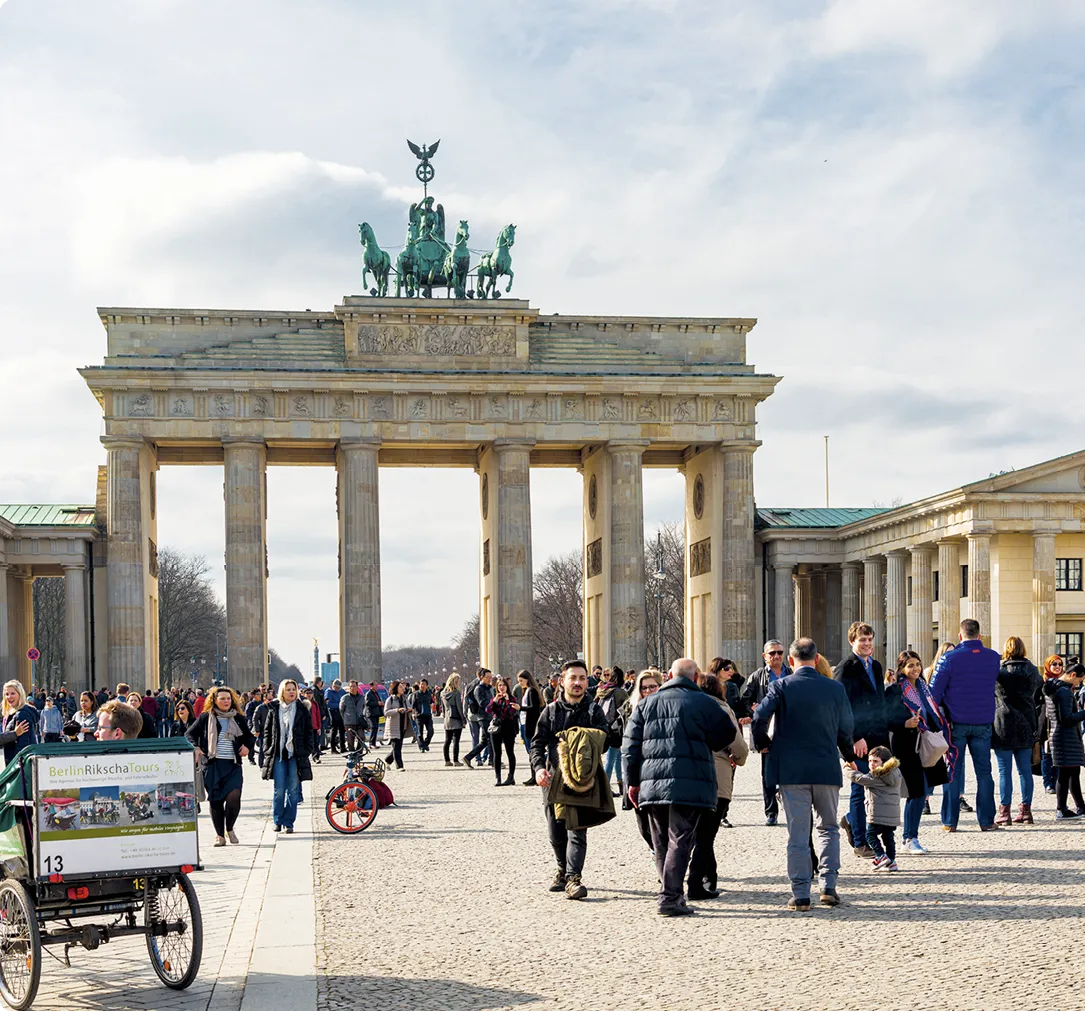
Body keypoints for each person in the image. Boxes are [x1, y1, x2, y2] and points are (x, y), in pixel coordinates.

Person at [624, 658, 735, 916]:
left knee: (661, 840)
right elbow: (727, 735)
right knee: (680, 839)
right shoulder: (705, 703)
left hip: (652, 781)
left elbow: (630, 746)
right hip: (691, 779)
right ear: (696, 677)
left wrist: (632, 781)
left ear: (670, 675)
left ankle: (670, 892)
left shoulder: (646, 704)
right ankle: (670, 897)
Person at [751, 638, 855, 911]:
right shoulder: (835, 688)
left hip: (791, 769)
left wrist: (764, 743)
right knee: (829, 829)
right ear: (817, 657)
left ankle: (800, 894)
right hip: (825, 766)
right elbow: (846, 729)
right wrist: (849, 755)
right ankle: (828, 887)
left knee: (797, 833)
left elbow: (759, 718)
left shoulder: (780, 686)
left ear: (791, 661)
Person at [530, 659, 612, 900]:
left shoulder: (594, 710)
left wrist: (587, 741)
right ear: (562, 681)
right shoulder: (551, 711)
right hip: (554, 778)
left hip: (584, 779)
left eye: (582, 678)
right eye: (573, 678)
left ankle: (574, 879)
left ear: (588, 682)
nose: (578, 683)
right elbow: (537, 743)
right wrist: (538, 769)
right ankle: (562, 869)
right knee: (555, 832)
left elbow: (606, 741)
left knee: (577, 830)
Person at [929, 618, 1001, 832]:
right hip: (983, 721)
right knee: (984, 772)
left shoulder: (949, 659)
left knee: (953, 771)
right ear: (979, 636)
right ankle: (987, 820)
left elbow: (934, 694)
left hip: (956, 722)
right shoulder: (993, 658)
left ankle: (950, 821)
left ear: (960, 636)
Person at [885, 651, 951, 855]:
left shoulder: (924, 688)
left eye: (917, 664)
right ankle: (909, 838)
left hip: (924, 744)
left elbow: (932, 714)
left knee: (918, 792)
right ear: (901, 668)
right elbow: (885, 718)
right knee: (918, 791)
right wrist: (904, 723)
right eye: (910, 665)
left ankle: (910, 837)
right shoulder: (895, 690)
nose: (915, 669)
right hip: (905, 746)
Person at [688, 673, 748, 896]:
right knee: (707, 833)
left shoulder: (689, 706)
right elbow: (739, 746)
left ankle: (707, 876)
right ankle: (698, 882)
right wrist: (739, 760)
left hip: (691, 776)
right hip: (718, 776)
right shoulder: (722, 709)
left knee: (699, 833)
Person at [834, 621, 888, 858]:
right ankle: (859, 842)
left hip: (877, 737)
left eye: (869, 639)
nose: (866, 644)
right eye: (862, 640)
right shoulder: (846, 668)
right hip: (858, 739)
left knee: (874, 790)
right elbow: (841, 707)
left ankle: (850, 821)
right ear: (852, 642)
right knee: (859, 789)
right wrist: (855, 738)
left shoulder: (875, 666)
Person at [186, 686, 255, 847]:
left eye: (228, 698)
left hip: (232, 764)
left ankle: (229, 828)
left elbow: (249, 737)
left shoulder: (237, 717)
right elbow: (189, 734)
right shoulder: (206, 717)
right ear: (214, 700)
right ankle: (219, 835)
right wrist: (196, 747)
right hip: (212, 764)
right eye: (222, 698)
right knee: (216, 801)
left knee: (234, 797)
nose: (226, 701)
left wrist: (247, 747)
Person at [739, 640, 792, 825]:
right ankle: (771, 812)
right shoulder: (756, 677)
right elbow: (745, 700)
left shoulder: (792, 673)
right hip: (766, 731)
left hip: (789, 729)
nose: (776, 656)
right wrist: (753, 710)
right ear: (765, 656)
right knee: (768, 774)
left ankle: (792, 806)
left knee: (791, 771)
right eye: (772, 653)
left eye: (779, 652)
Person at [992, 636, 1043, 825]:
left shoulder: (999, 670)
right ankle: (1026, 811)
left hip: (1003, 722)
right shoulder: (1031, 670)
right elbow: (1039, 687)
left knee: (1004, 771)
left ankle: (1004, 812)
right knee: (1025, 771)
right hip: (1027, 722)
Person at [259, 678, 315, 833]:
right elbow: (267, 732)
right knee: (279, 789)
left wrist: (307, 749)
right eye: (288, 689)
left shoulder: (302, 709)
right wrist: (267, 749)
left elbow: (308, 731)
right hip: (278, 754)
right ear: (282, 691)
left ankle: (289, 821)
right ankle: (277, 820)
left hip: (296, 754)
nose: (291, 692)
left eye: (293, 689)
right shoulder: (273, 708)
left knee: (293, 789)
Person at [844, 745, 902, 870]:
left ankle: (881, 856)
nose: (871, 764)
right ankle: (891, 861)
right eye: (869, 761)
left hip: (878, 814)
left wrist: (847, 769)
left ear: (885, 762)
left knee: (870, 835)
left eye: (875, 761)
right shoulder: (895, 772)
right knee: (888, 837)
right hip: (892, 814)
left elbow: (859, 778)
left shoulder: (878, 775)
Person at [1042, 661, 1085, 819]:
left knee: (1073, 771)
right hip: (1065, 736)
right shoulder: (1064, 692)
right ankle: (1061, 809)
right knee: (1065, 773)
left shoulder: (1054, 688)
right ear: (1073, 675)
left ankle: (1080, 806)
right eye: (1079, 680)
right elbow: (1066, 718)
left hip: (1061, 736)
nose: (1079, 683)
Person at [595, 667, 630, 798]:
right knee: (611, 758)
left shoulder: (603, 690)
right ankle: (605, 787)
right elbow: (628, 709)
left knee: (616, 756)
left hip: (603, 726)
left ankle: (620, 783)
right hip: (616, 728)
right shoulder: (620, 693)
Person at [484, 677, 521, 787]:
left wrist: (508, 700)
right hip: (496, 728)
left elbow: (512, 712)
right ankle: (498, 777)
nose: (502, 687)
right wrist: (495, 700)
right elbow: (487, 710)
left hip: (508, 726)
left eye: (503, 685)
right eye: (499, 685)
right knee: (497, 753)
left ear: (507, 687)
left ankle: (511, 777)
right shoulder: (495, 699)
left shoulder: (512, 698)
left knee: (510, 752)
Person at [1038, 655, 1066, 795]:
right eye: (1054, 664)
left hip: (1060, 722)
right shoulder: (1041, 682)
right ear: (1048, 665)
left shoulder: (1065, 683)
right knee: (1046, 754)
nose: (1057, 666)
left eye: (1060, 664)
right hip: (1046, 723)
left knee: (1058, 754)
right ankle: (1047, 783)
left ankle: (1056, 780)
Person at [515, 670, 545, 781]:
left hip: (530, 724)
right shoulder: (527, 690)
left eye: (521, 680)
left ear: (527, 679)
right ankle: (533, 775)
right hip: (524, 722)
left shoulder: (531, 691)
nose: (520, 683)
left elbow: (534, 708)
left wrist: (520, 708)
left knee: (532, 750)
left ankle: (535, 775)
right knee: (530, 750)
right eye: (519, 681)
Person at [463, 670, 495, 769]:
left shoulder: (489, 688)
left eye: (491, 677)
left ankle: (468, 757)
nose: (490, 679)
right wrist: (494, 703)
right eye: (487, 677)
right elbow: (482, 703)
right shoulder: (479, 689)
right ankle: (493, 761)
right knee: (491, 739)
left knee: (485, 740)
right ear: (482, 677)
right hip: (483, 717)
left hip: (489, 716)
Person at [0, 681, 38, 765]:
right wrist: (14, 734)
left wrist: (17, 766)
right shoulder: (10, 713)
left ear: (20, 694)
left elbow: (23, 745)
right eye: (7, 694)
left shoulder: (22, 714)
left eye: (12, 693)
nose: (9, 697)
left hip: (19, 766)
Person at [383, 681, 412, 771]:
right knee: (396, 746)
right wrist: (397, 710)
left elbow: (408, 707)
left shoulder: (404, 698)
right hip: (393, 726)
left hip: (403, 725)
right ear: (395, 688)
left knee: (398, 747)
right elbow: (386, 712)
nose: (402, 689)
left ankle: (387, 761)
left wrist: (409, 710)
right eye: (400, 687)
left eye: (403, 687)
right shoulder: (390, 699)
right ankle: (399, 766)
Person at [442, 673, 465, 766]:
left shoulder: (442, 693)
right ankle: (455, 760)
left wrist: (444, 715)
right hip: (456, 719)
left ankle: (447, 760)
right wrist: (463, 719)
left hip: (447, 719)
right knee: (456, 740)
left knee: (447, 740)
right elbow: (459, 707)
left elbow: (442, 707)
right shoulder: (456, 693)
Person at [339, 680, 368, 753]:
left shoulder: (362, 697)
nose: (352, 688)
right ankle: (352, 755)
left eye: (354, 686)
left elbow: (364, 708)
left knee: (362, 737)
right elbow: (341, 710)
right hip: (349, 722)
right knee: (350, 741)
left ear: (357, 687)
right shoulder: (345, 698)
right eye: (350, 686)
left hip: (359, 722)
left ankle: (359, 753)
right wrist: (345, 719)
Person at [412, 678, 435, 753]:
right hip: (419, 715)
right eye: (421, 684)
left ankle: (426, 743)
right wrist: (413, 713)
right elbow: (413, 705)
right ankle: (421, 746)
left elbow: (432, 702)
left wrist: (432, 705)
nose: (422, 686)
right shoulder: (416, 694)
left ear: (427, 686)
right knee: (419, 732)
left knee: (431, 731)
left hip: (428, 715)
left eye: (423, 684)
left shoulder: (429, 693)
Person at [324, 679, 346, 753]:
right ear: (333, 686)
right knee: (334, 730)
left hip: (341, 712)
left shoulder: (342, 691)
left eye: (338, 688)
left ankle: (343, 746)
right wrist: (339, 705)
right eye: (335, 687)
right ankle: (333, 748)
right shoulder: (328, 692)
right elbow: (328, 703)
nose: (337, 689)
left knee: (342, 730)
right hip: (333, 712)